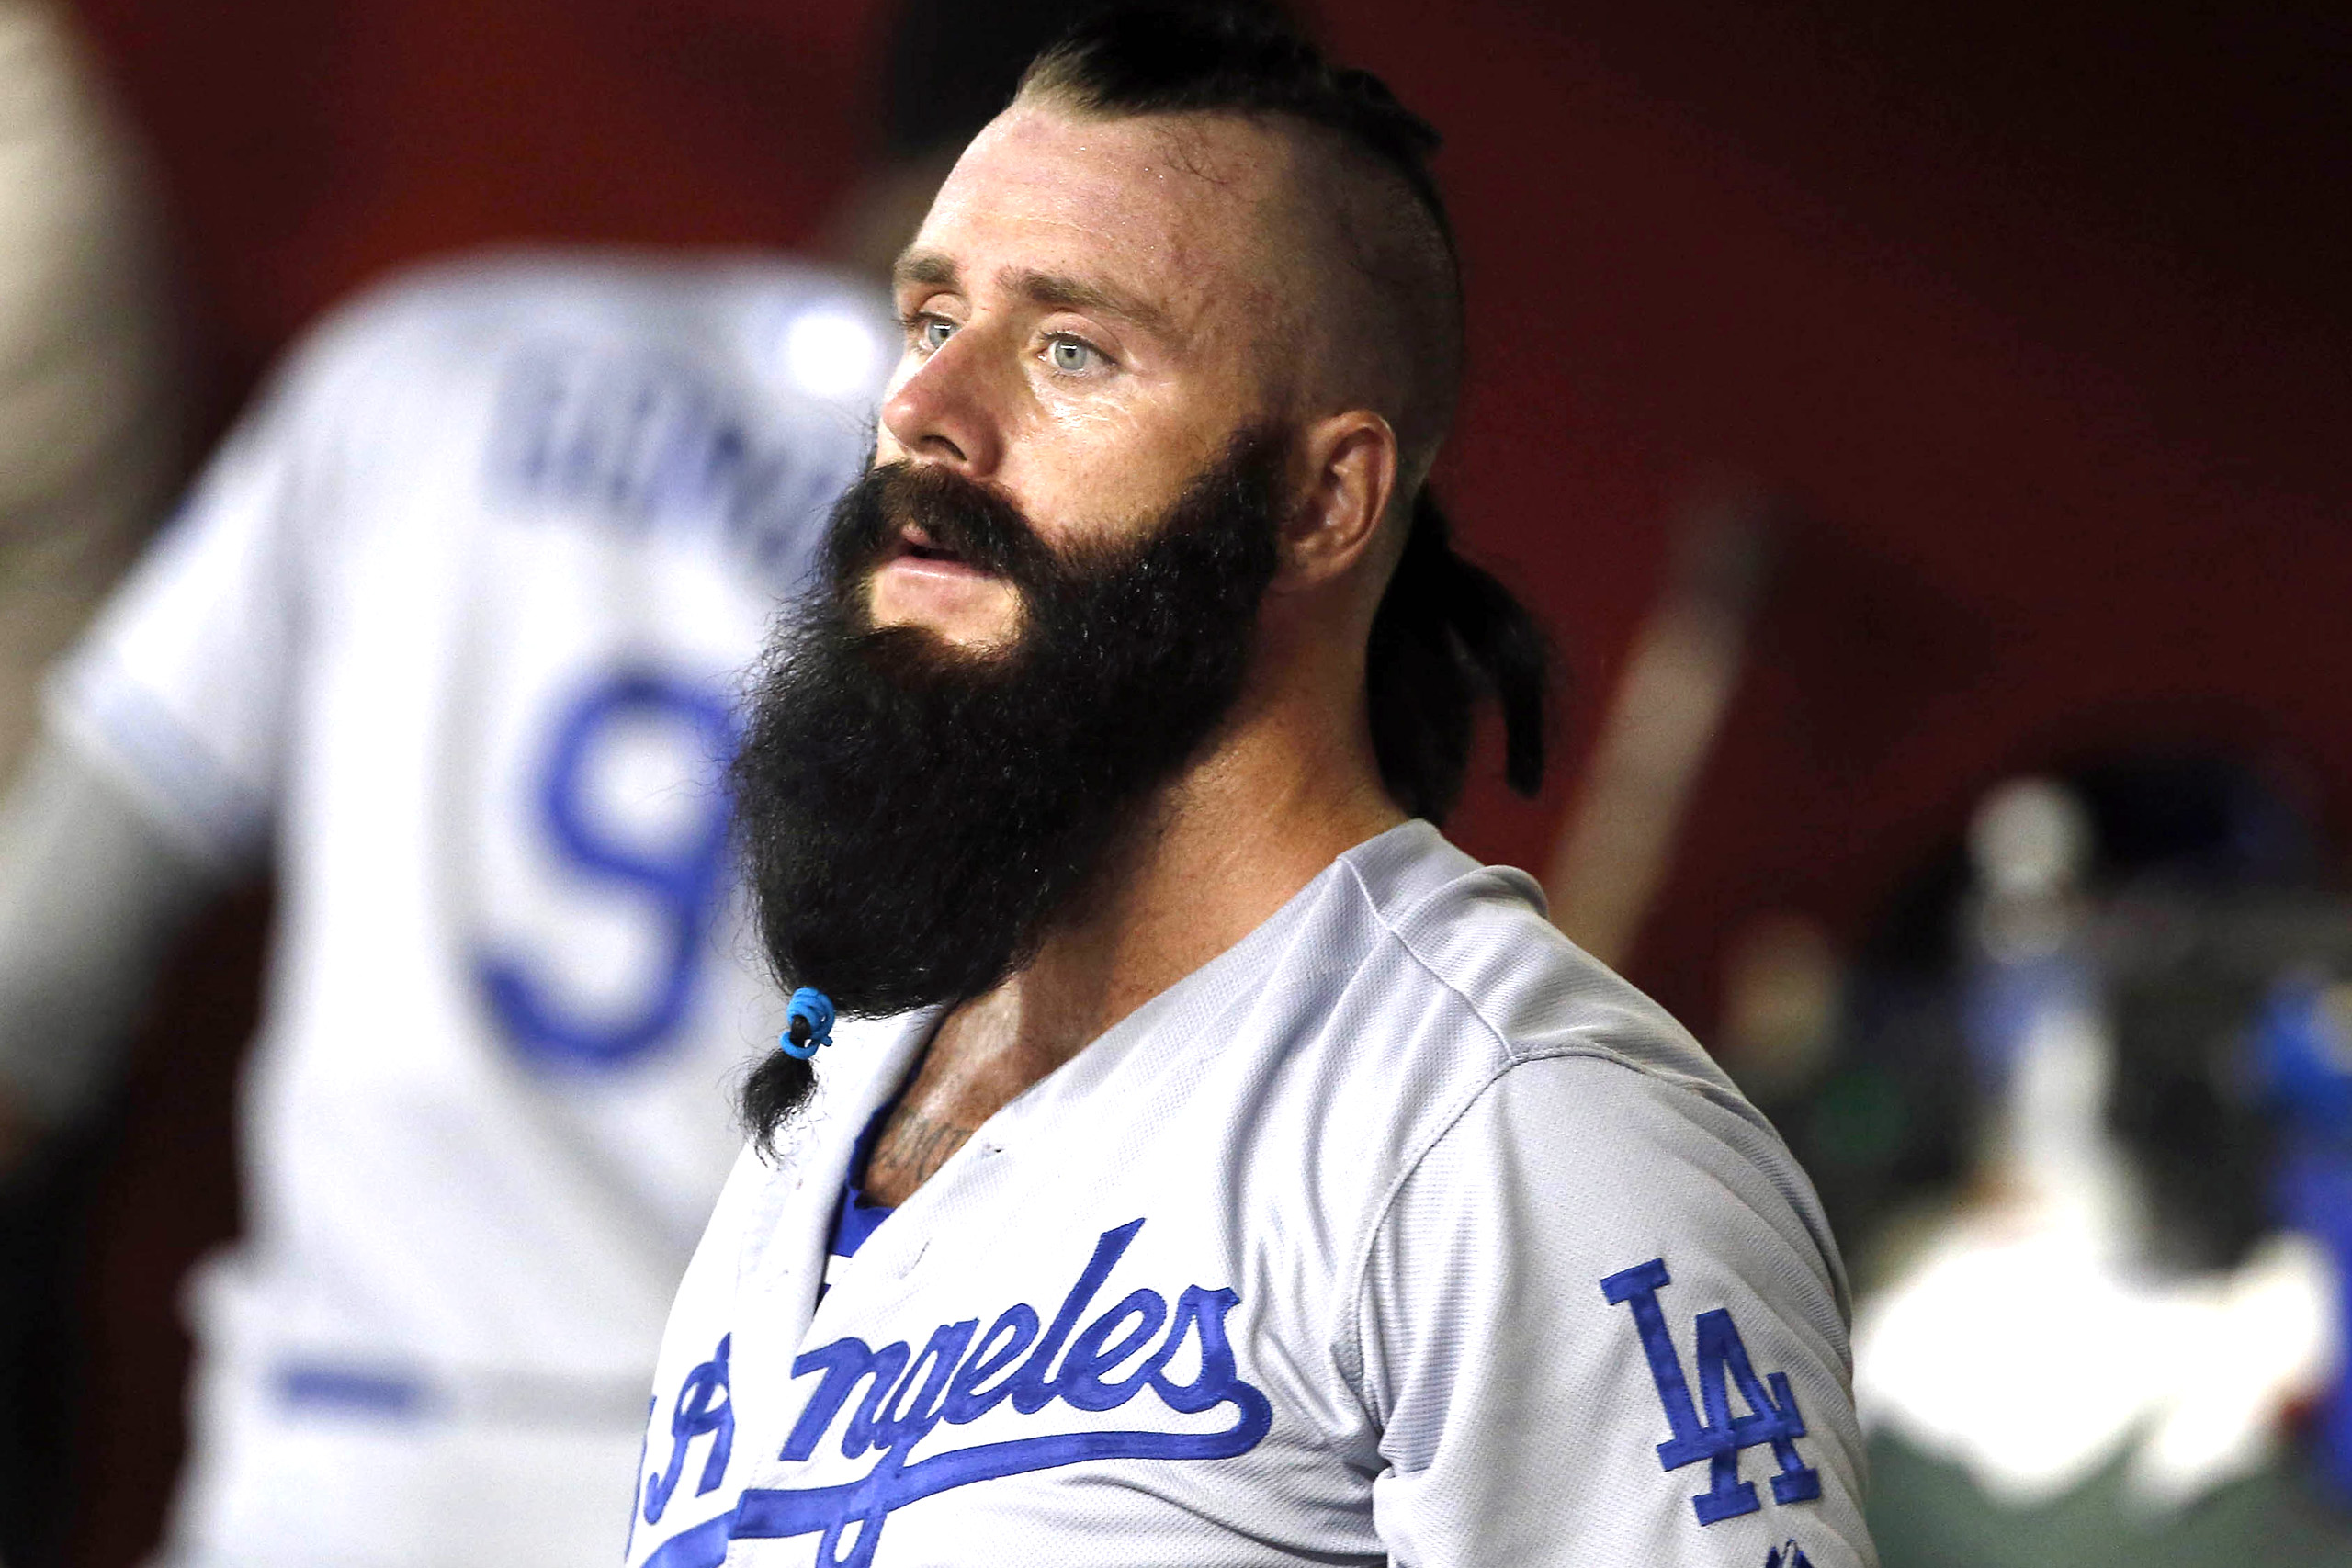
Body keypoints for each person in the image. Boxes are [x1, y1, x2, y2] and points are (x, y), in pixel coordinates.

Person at [628, 7, 1873, 1565]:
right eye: (935, 323)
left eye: (1074, 348)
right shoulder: (849, 1081)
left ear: (1321, 498)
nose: (925, 415)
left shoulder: (1520, 1131)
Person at [0, 1, 1103, 1560]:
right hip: (776, 1485)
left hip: (333, 1473)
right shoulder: (1086, 560)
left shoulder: (424, 362)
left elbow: (34, 977)